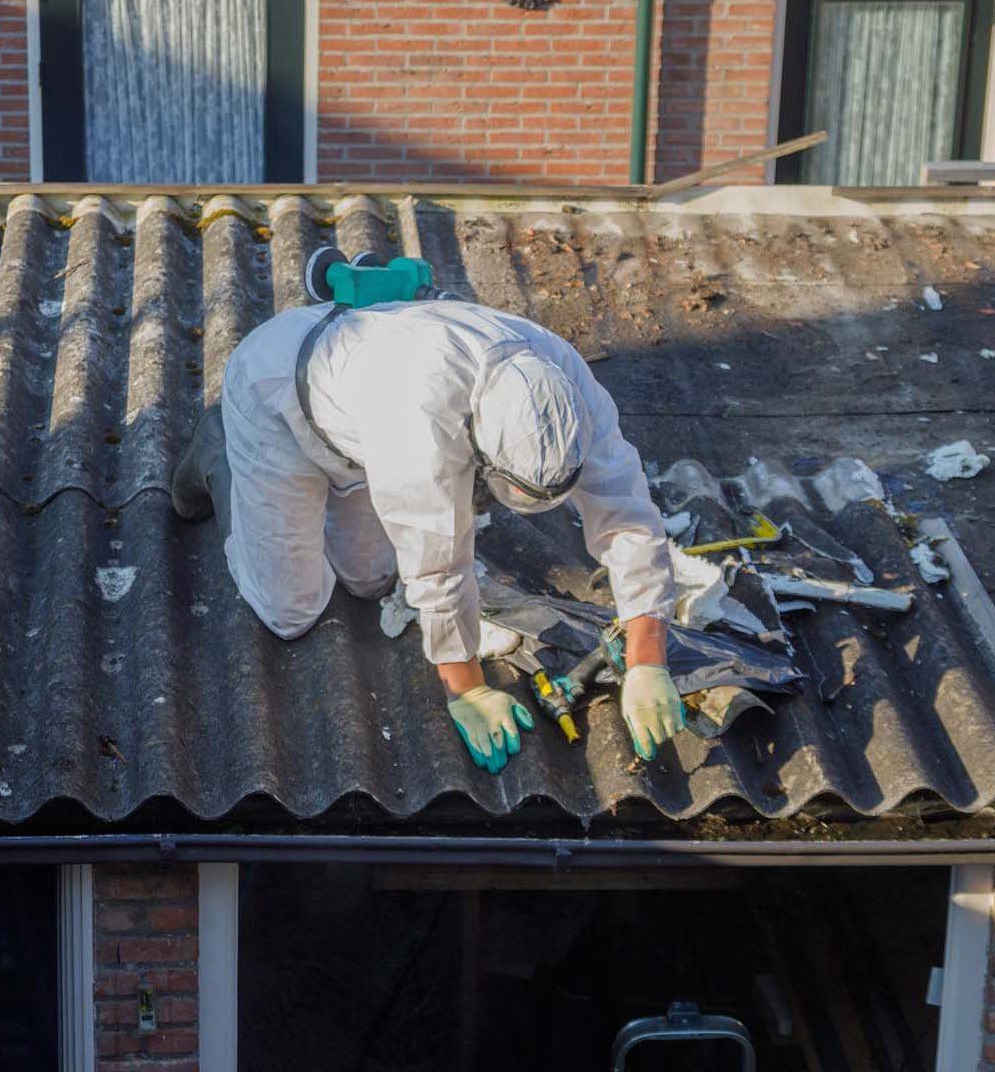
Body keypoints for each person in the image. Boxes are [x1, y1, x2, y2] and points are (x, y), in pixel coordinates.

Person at [170, 297, 681, 774]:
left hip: (357, 426)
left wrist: (646, 656)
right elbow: (438, 565)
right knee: (291, 609)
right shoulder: (420, 421)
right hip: (277, 397)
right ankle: (221, 453)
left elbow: (628, 514)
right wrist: (468, 690)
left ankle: (313, 495)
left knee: (369, 581)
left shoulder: (569, 387)